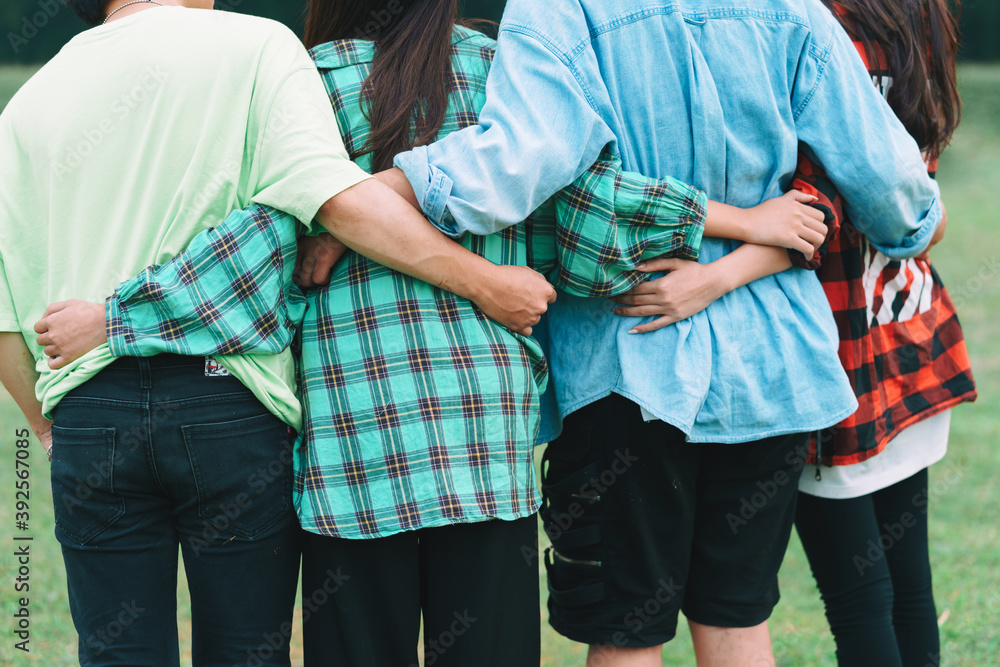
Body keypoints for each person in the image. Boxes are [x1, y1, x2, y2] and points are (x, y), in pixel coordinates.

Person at [36, 2, 830, 664]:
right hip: (482, 447)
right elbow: (592, 208)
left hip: (355, 453)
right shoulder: (500, 73)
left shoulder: (305, 78)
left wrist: (118, 316)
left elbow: (258, 245)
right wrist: (736, 222)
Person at [375, 0, 947, 664]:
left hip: (626, 361)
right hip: (769, 367)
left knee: (626, 635)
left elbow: (514, 162)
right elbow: (891, 181)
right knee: (737, 622)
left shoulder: (560, 10)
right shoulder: (792, 9)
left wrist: (369, 194)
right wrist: (914, 221)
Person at [0, 0, 557, 664]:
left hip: (127, 416)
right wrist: (488, 282)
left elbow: (8, 313)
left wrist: (54, 421)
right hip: (248, 403)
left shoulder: (27, 106)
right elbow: (327, 200)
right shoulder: (258, 48)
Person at [789, 2, 977, 665]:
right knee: (904, 589)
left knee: (860, 602)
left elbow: (815, 208)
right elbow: (912, 189)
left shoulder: (816, 22)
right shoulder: (916, 12)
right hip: (909, 325)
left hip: (837, 341)